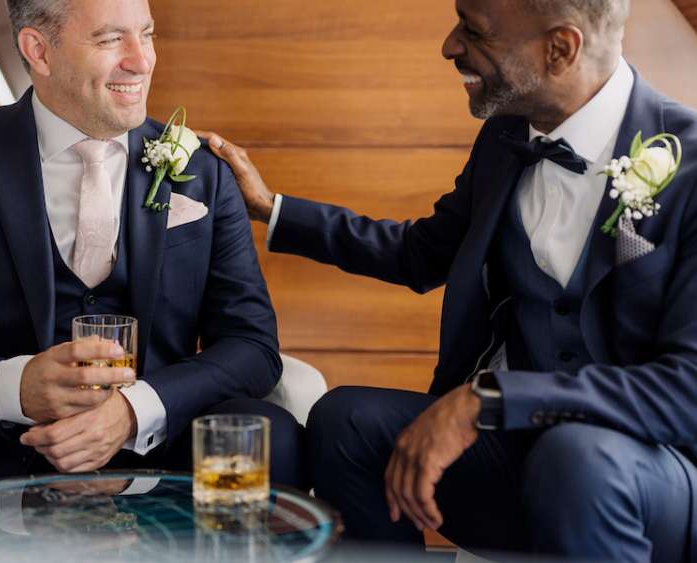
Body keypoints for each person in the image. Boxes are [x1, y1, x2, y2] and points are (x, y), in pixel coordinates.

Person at [197, 0, 697, 560]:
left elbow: (687, 391)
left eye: (475, 30)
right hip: (517, 451)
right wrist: (272, 208)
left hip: (649, 472)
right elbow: (421, 253)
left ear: (560, 48)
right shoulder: (507, 139)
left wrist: (490, 399)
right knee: (346, 421)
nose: (450, 45)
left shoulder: (689, 169)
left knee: (578, 459)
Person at [0, 0, 304, 490]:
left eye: (147, 34)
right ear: (38, 50)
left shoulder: (205, 173)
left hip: (162, 444)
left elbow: (252, 345)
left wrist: (134, 412)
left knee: (271, 434)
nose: (142, 60)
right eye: (111, 39)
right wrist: (16, 389)